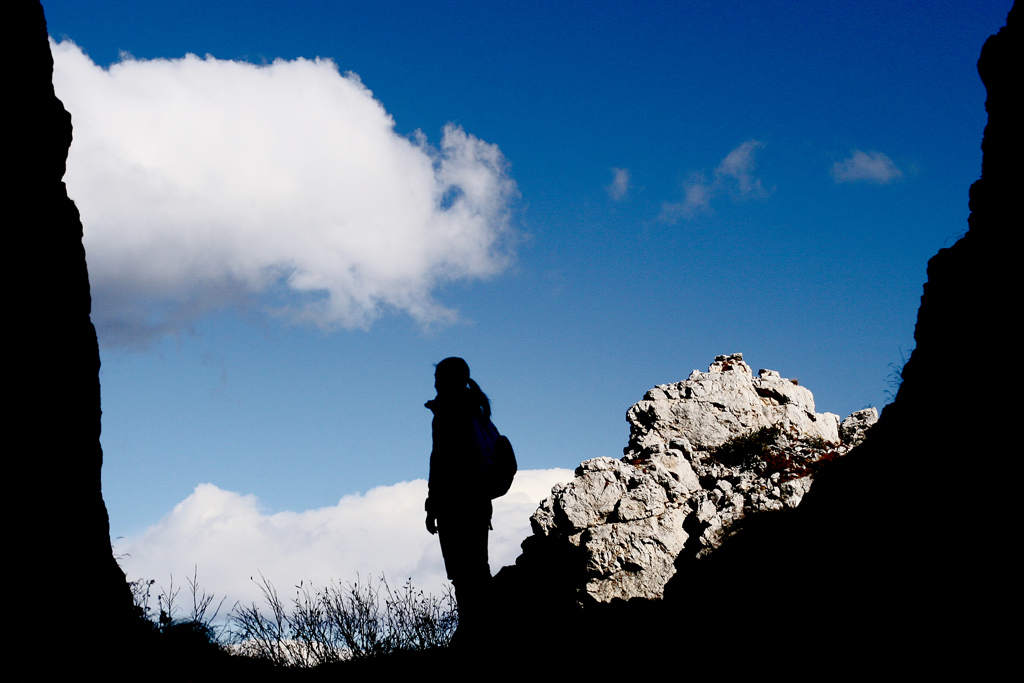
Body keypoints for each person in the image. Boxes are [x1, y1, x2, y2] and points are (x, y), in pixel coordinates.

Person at [424, 357, 493, 643]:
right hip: (477, 501)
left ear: (448, 380)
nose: (436, 383)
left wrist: (432, 507)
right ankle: (482, 627)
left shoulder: (451, 412)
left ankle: (474, 631)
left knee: (464, 571)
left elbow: (440, 462)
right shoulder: (475, 409)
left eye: (439, 377)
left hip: (456, 502)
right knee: (475, 567)